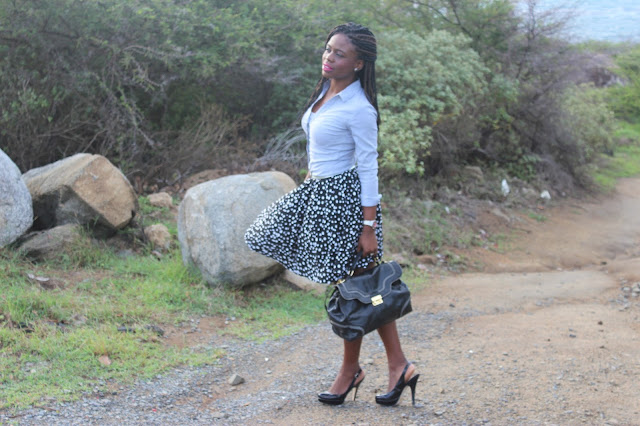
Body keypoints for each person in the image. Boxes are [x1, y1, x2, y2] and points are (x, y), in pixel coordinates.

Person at [245, 22, 418, 406]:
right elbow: (322, 146)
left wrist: (368, 225)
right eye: (328, 49)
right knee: (361, 286)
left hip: (346, 204)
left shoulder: (359, 107)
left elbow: (368, 167)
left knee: (356, 285)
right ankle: (397, 365)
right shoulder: (326, 90)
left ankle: (355, 371)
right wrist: (311, 177)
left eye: (340, 54)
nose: (329, 57)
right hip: (319, 193)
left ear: (358, 63)